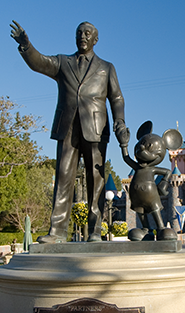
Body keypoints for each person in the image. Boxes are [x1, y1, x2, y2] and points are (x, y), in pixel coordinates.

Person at [10, 20, 127, 243]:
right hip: (67, 127)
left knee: (96, 181)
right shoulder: (63, 62)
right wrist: (26, 46)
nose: (83, 36)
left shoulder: (106, 67)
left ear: (95, 39)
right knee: (63, 177)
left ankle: (94, 231)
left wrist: (119, 121)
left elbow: (117, 97)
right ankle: (58, 231)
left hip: (96, 128)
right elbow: (40, 63)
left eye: (88, 33)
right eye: (79, 33)